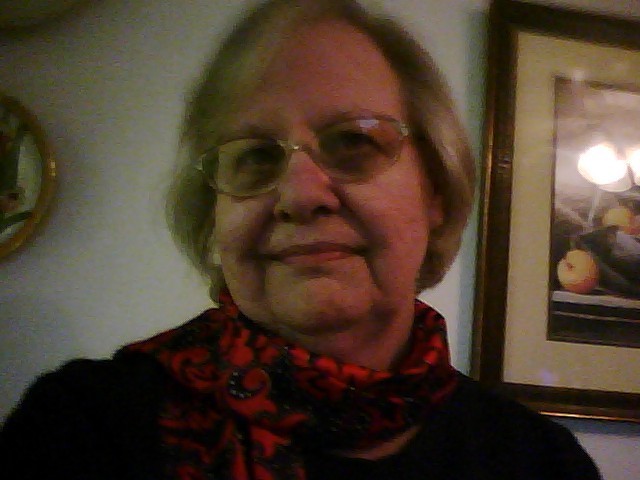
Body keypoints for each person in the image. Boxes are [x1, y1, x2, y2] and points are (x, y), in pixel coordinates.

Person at [0, 1, 601, 479]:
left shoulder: (540, 462)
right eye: (255, 156)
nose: (299, 194)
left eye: (354, 141)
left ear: (436, 193)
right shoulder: (82, 427)